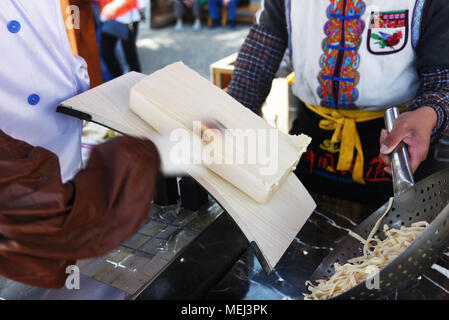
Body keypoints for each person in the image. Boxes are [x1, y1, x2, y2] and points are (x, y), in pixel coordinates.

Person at [0, 1, 160, 288]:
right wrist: (147, 154)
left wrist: (73, 71)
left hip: (64, 143)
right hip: (19, 194)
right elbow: (45, 227)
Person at [227, 0, 449, 206]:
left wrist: (430, 115)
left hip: (395, 144)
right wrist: (229, 116)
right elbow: (259, 56)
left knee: (392, 241)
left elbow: (443, 79)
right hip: (309, 140)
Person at [98, 0, 142, 78]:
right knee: (107, 53)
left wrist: (115, 4)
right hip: (108, 18)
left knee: (130, 55)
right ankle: (119, 78)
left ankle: (138, 82)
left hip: (127, 17)